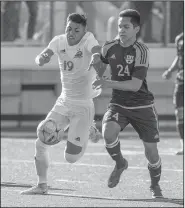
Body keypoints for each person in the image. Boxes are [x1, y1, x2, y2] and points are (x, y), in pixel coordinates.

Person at [21, 13, 102, 195]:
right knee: (41, 141)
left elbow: (96, 49)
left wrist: (97, 57)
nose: (71, 33)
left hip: (83, 106)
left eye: (76, 30)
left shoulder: (88, 39)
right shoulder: (59, 41)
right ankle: (42, 185)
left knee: (71, 158)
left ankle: (89, 129)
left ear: (84, 31)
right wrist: (41, 59)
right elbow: (44, 54)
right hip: (63, 102)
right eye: (69, 29)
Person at [89, 9, 163, 198]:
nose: (121, 30)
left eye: (126, 27)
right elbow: (101, 67)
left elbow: (135, 85)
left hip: (142, 105)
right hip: (119, 104)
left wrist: (107, 83)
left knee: (152, 153)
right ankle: (120, 163)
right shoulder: (110, 47)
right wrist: (96, 59)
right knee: (108, 133)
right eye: (119, 26)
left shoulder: (141, 50)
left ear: (136, 29)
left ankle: (155, 186)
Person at [162, 32, 184, 155]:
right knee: (179, 113)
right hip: (181, 82)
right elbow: (179, 56)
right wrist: (170, 70)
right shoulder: (179, 38)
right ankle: (183, 145)